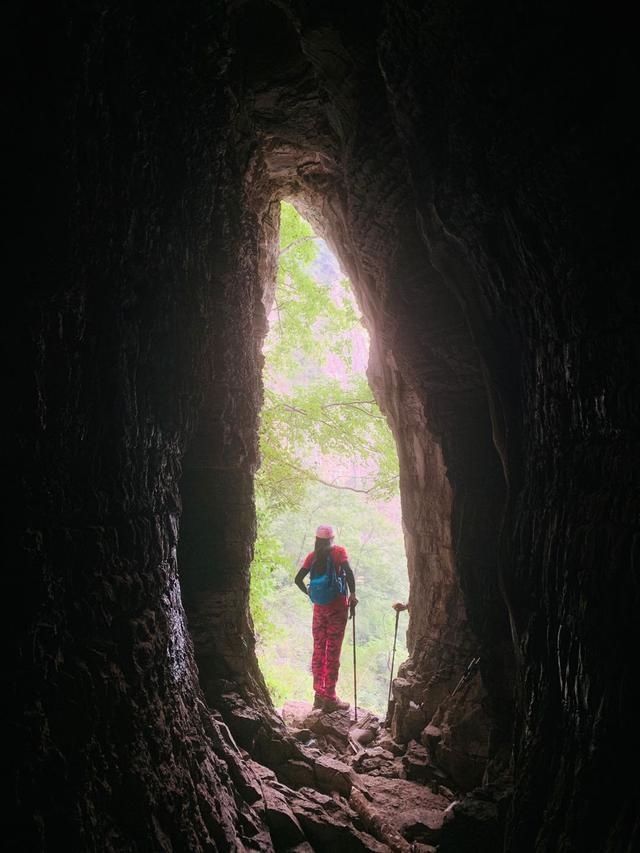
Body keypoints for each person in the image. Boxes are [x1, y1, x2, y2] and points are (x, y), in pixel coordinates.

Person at [294, 524, 358, 712]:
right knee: (333, 651)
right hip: (337, 608)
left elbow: (298, 579)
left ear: (317, 539)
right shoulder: (338, 552)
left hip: (319, 610)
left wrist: (311, 595)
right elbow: (349, 574)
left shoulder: (312, 556)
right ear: (332, 538)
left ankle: (318, 695)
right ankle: (330, 697)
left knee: (319, 649)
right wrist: (352, 594)